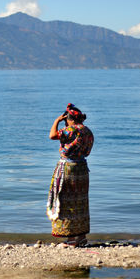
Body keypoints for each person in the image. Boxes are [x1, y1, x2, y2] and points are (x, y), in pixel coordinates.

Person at [47, 103, 94, 247]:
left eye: (66, 118)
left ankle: (72, 239)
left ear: (70, 119)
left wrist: (56, 121)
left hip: (68, 168)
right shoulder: (87, 131)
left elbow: (52, 135)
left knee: (67, 201)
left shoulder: (70, 130)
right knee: (80, 201)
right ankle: (81, 237)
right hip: (82, 169)